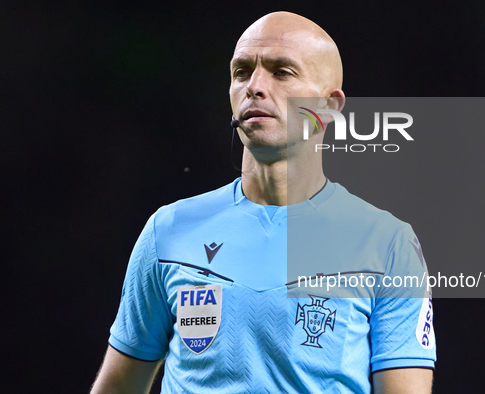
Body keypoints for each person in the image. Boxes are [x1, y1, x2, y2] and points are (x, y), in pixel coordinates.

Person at [91, 11, 435, 393]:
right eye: (241, 72)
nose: (254, 85)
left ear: (329, 108)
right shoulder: (169, 231)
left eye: (281, 71)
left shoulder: (387, 243)